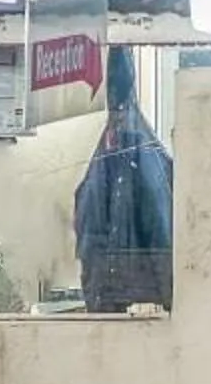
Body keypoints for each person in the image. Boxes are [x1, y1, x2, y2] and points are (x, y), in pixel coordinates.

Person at [72, 47, 173, 311]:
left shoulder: (136, 148)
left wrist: (170, 291)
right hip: (113, 285)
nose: (116, 118)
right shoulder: (119, 147)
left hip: (122, 283)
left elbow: (158, 222)